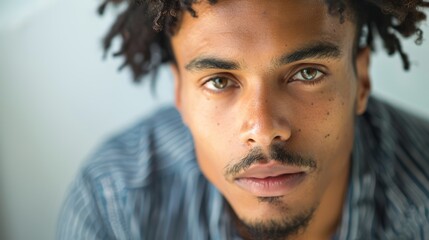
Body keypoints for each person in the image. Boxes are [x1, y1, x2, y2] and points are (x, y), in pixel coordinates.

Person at [56, 0, 429, 239]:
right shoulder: (114, 203)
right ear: (180, 95)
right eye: (219, 81)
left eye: (308, 73)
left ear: (361, 80)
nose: (264, 131)